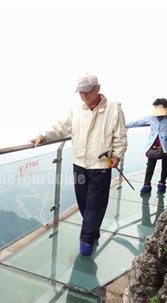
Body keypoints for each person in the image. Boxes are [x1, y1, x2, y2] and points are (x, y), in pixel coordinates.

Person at [30, 73, 127, 256]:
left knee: (94, 204)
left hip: (100, 164)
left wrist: (118, 155)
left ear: (98, 88)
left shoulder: (114, 108)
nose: (84, 96)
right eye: (81, 92)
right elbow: (61, 127)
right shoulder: (76, 109)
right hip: (79, 164)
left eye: (87, 92)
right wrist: (42, 136)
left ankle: (87, 239)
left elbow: (120, 135)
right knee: (83, 202)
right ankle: (93, 230)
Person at [126, 98, 167, 194]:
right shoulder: (151, 116)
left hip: (166, 144)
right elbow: (139, 122)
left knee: (165, 165)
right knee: (150, 165)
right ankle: (147, 184)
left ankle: (162, 183)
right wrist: (124, 125)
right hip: (153, 143)